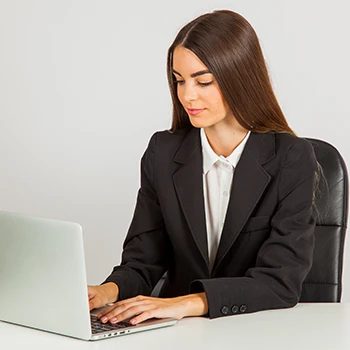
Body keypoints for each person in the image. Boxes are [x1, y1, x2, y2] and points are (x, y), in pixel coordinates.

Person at [88, 9, 318, 325]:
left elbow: (280, 282)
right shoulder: (163, 152)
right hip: (179, 333)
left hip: (260, 330)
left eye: (203, 81)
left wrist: (187, 303)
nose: (187, 95)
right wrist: (106, 291)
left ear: (239, 77)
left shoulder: (292, 158)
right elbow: (144, 261)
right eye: (179, 80)